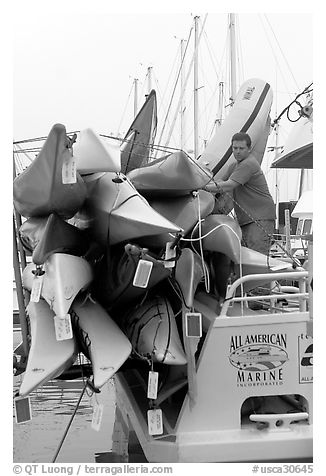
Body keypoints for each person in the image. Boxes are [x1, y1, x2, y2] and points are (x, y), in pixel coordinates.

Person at [214, 132, 276, 255]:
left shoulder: (248, 164)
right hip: (247, 220)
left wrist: (203, 187)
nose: (237, 151)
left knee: (257, 259)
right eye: (235, 148)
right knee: (248, 258)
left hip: (259, 219)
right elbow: (221, 181)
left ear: (249, 149)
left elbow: (229, 185)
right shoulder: (234, 166)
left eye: (241, 148)